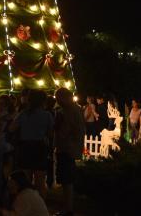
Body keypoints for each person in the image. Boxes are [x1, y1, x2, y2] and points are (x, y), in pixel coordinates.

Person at [10, 90, 53, 198]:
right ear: (43, 101)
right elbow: (50, 133)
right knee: (40, 181)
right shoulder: (47, 115)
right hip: (40, 147)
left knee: (25, 181)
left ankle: (26, 205)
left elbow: (11, 128)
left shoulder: (23, 114)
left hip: (25, 147)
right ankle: (40, 207)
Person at [54, 87, 85, 216]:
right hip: (67, 148)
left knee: (67, 180)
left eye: (58, 98)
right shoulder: (72, 110)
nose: (57, 101)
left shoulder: (70, 111)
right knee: (66, 180)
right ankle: (67, 208)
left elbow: (66, 131)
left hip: (67, 149)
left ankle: (68, 209)